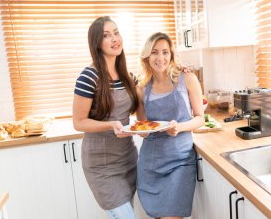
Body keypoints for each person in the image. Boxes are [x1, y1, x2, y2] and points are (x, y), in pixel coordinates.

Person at [72, 16, 138, 219]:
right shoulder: (88, 77)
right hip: (101, 166)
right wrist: (110, 125)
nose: (114, 39)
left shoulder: (128, 76)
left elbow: (145, 100)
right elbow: (78, 122)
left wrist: (178, 72)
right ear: (97, 43)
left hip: (127, 159)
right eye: (107, 35)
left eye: (116, 33)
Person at [135, 32, 205, 219]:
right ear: (147, 56)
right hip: (151, 164)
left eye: (165, 52)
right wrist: (133, 129)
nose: (160, 58)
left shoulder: (187, 79)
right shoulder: (141, 89)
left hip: (179, 162)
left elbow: (200, 118)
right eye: (155, 52)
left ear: (171, 55)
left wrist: (179, 127)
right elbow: (144, 131)